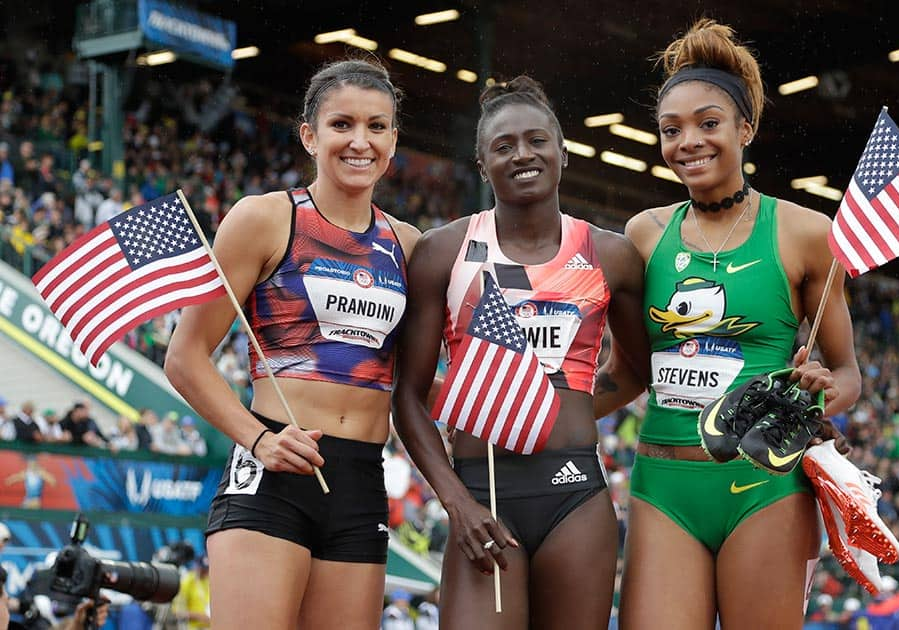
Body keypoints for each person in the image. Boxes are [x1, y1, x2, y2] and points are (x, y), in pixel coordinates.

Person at [605, 19, 862, 629]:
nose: (688, 141)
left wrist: (826, 390)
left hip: (765, 485)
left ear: (746, 128)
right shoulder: (644, 235)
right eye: (671, 130)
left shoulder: (806, 234)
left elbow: (847, 372)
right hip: (662, 484)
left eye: (708, 123)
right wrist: (537, 420)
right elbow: (630, 372)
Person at [165, 56, 419, 630]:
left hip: (359, 480)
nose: (360, 141)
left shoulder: (409, 244)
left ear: (394, 139)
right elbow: (184, 358)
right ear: (309, 135)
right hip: (273, 472)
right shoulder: (265, 219)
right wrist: (259, 440)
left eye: (377, 127)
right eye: (342, 124)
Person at [392, 76, 648, 629]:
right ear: (482, 165)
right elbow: (408, 397)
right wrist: (456, 503)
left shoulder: (612, 256)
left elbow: (636, 372)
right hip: (479, 494)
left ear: (563, 151)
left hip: (573, 496)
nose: (522, 154)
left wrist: (546, 411)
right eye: (503, 146)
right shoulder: (443, 252)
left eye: (537, 140)